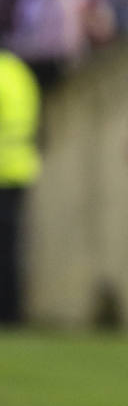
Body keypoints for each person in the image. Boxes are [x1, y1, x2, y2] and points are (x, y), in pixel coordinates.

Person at [0, 48, 41, 325]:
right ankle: (12, 312)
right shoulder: (18, 71)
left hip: (3, 170)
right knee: (10, 247)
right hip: (21, 168)